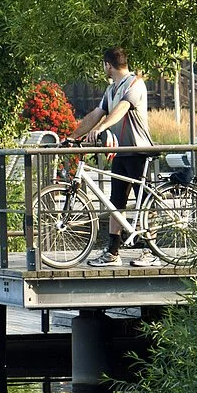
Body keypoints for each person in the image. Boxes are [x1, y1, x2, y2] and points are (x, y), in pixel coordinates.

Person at [66, 46, 151, 266]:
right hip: (122, 152)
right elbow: (96, 114)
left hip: (139, 150)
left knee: (145, 201)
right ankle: (113, 252)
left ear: (107, 65)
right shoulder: (111, 89)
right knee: (116, 202)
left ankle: (150, 251)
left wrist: (102, 128)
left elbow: (121, 109)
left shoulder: (135, 84)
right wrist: (73, 136)